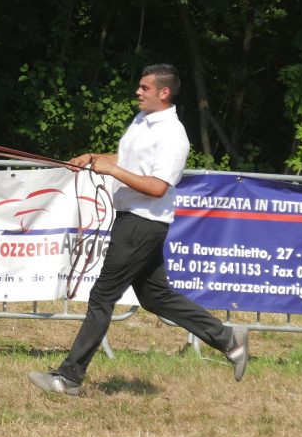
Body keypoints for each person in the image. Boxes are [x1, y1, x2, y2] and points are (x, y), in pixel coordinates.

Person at [28, 63, 249, 397]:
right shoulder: (141, 122)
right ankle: (228, 338)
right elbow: (127, 159)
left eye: (145, 88)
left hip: (143, 223)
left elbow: (158, 186)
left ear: (164, 92)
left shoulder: (173, 135)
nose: (138, 92)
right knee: (155, 296)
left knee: (102, 296)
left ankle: (69, 378)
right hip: (133, 220)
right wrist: (93, 157)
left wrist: (113, 171)